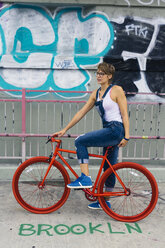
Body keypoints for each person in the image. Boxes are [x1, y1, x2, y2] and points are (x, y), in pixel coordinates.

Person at [52, 62, 129, 209]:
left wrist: (127, 136)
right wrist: (65, 129)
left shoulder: (117, 90)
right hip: (109, 130)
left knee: (80, 141)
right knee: (109, 167)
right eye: (98, 73)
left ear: (109, 76)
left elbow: (124, 114)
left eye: (102, 73)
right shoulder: (95, 93)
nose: (98, 76)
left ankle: (85, 178)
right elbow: (81, 112)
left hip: (115, 129)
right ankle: (105, 201)